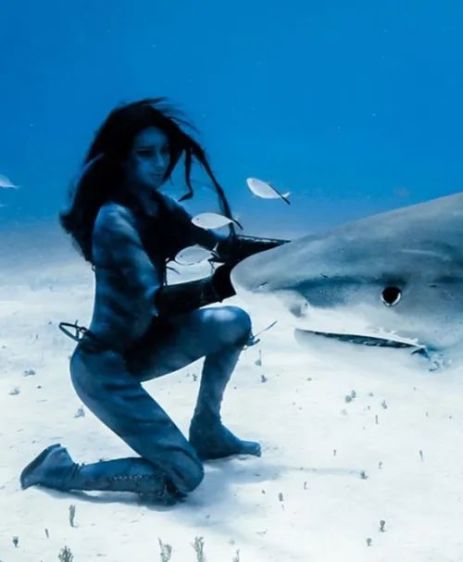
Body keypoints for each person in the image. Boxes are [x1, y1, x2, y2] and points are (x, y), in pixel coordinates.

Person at [19, 98, 286, 504]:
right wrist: (224, 283)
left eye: (165, 152)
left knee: (234, 321)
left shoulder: (159, 205)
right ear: (121, 159)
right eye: (146, 153)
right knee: (184, 476)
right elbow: (155, 302)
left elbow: (223, 246)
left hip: (148, 346)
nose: (160, 163)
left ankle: (208, 430)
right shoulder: (113, 221)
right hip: (104, 367)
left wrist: (298, 255)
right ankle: (59, 471)